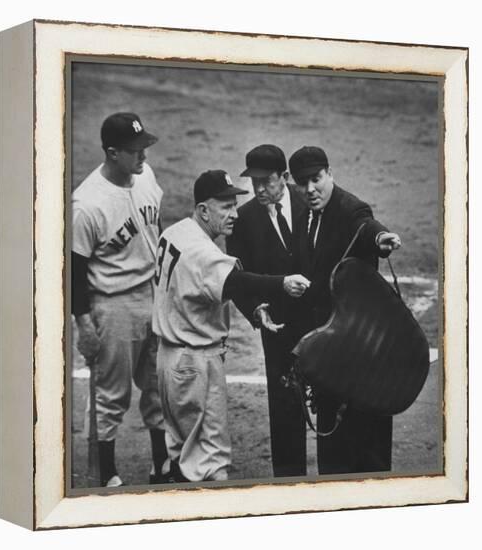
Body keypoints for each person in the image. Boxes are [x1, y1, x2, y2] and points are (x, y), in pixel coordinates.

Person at [152, 169, 310, 482]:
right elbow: (239, 281)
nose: (234, 214)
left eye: (234, 205)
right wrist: (282, 283)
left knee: (185, 453)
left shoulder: (176, 231)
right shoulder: (203, 253)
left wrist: (254, 310)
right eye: (225, 206)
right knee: (212, 462)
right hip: (195, 364)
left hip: (169, 360)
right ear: (203, 210)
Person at [288, 145, 401, 474]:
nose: (310, 189)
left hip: (362, 355)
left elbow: (366, 226)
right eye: (302, 182)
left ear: (330, 174)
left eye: (316, 179)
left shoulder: (349, 208)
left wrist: (380, 238)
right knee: (334, 451)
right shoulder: (308, 212)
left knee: (367, 448)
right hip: (332, 353)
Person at [71, 112, 169, 487]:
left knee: (158, 385)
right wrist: (84, 326)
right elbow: (74, 271)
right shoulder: (87, 205)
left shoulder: (145, 175)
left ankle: (161, 463)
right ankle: (107, 473)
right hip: (112, 305)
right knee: (111, 395)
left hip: (152, 293)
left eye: (144, 146)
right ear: (112, 153)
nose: (143, 155)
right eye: (134, 150)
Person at [226, 144, 310, 477]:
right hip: (278, 326)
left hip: (323, 321)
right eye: (254, 181)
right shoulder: (244, 219)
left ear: (285, 177)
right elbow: (238, 277)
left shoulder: (310, 201)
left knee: (332, 396)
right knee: (285, 406)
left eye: (267, 181)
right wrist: (255, 310)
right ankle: (291, 485)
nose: (259, 189)